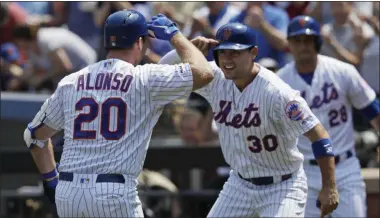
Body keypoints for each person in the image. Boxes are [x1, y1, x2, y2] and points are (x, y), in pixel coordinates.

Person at [22, 10, 213, 218]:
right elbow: (204, 73)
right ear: (140, 42)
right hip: (112, 193)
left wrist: (51, 179)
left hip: (69, 193)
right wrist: (177, 37)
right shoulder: (144, 79)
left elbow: (34, 136)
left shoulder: (72, 81)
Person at [159, 22, 339, 217]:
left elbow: (319, 135)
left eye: (235, 52)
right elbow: (162, 72)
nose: (227, 59)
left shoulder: (277, 92)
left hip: (282, 185)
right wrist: (187, 47)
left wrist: (329, 186)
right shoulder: (214, 76)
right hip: (240, 183)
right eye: (222, 52)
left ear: (253, 53)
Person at [277, 15, 380, 217]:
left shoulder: (342, 71)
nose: (303, 45)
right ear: (289, 44)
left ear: (317, 42)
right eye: (297, 40)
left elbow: (373, 110)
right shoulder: (279, 81)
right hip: (303, 172)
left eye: (308, 40)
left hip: (345, 167)